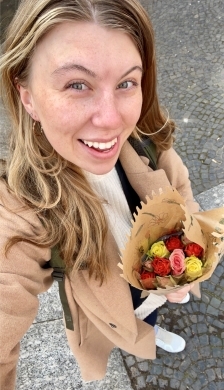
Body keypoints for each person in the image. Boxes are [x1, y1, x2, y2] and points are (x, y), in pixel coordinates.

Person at [0, 0, 201, 388]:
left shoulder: (145, 140)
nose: (112, 120)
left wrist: (187, 260)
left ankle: (150, 330)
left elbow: (181, 189)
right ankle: (136, 336)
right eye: (77, 84)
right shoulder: (20, 209)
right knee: (128, 327)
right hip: (109, 311)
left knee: (149, 314)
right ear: (26, 96)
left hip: (154, 286)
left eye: (126, 83)